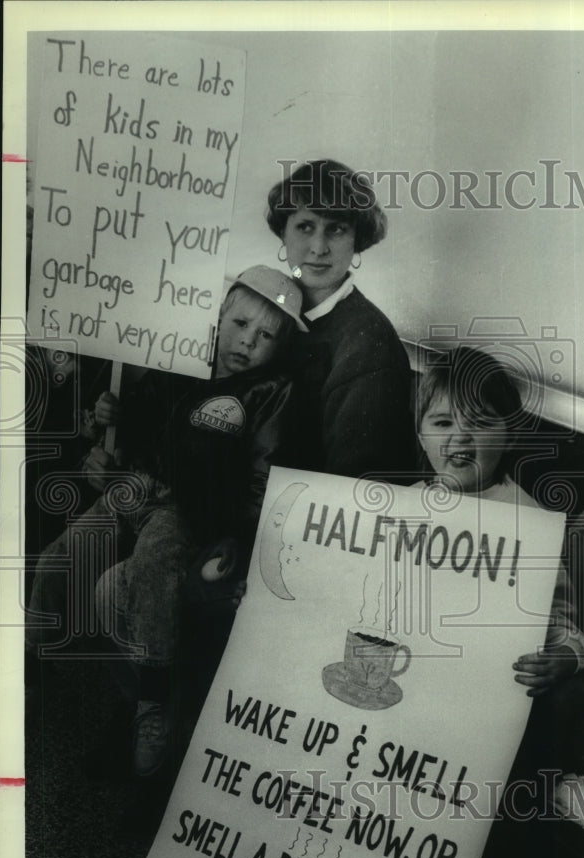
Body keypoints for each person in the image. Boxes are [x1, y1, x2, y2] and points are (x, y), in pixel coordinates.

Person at [26, 266, 305, 777]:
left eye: (266, 335)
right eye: (241, 324)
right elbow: (137, 416)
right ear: (219, 317)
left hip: (185, 508)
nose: (247, 342)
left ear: (281, 344)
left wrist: (231, 536)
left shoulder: (269, 391)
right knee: (59, 560)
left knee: (150, 579)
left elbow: (261, 483)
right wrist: (105, 418)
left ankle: (151, 706)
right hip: (133, 483)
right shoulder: (182, 356)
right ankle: (28, 660)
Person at [415, 344, 584, 691]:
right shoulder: (400, 507)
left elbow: (558, 616)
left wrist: (568, 655)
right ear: (422, 437)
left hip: (480, 689)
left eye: (479, 422)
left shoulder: (529, 524)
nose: (459, 435)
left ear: (510, 436)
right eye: (442, 421)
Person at [266, 159, 416, 481]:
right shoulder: (269, 305)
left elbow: (353, 486)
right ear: (284, 232)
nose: (318, 248)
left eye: (336, 228)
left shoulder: (367, 344)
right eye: (305, 226)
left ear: (357, 239)